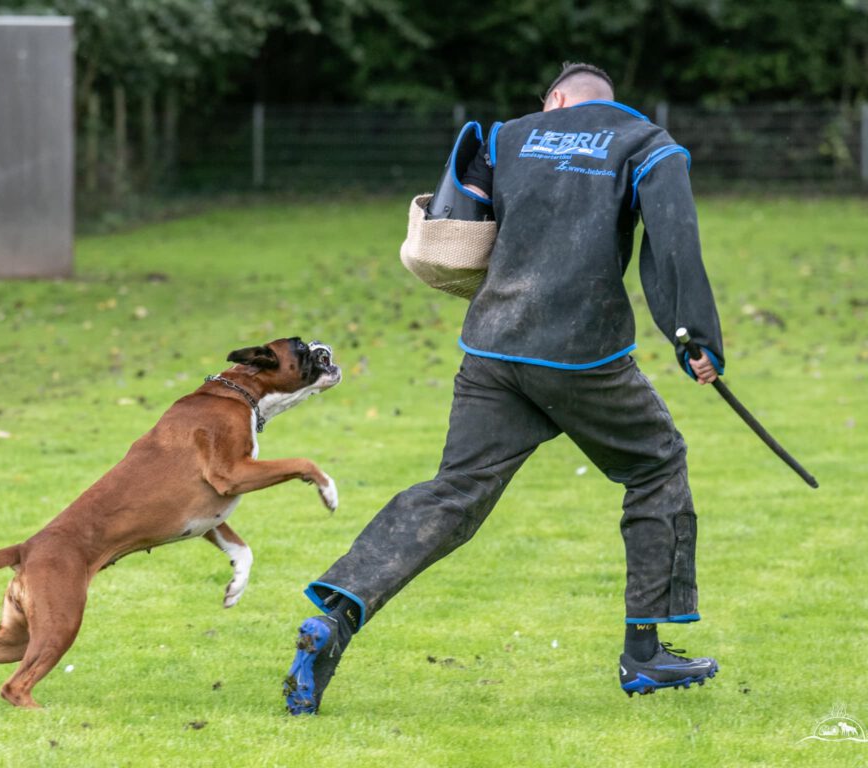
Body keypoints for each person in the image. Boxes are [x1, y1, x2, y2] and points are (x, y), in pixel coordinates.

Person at [283, 62, 725, 714]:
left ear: (555, 100)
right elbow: (675, 241)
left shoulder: (509, 135)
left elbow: (459, 221)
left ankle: (339, 612)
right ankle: (644, 655)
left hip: (491, 347)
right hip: (582, 355)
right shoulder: (646, 142)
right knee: (657, 464)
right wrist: (694, 338)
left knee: (455, 492)